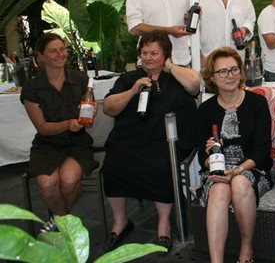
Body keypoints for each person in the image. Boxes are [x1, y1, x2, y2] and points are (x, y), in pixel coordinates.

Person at [101, 31, 200, 252]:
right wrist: (133, 90)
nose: (148, 57)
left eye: (154, 53)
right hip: (129, 138)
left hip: (167, 140)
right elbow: (108, 108)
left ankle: (163, 223)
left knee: (160, 164)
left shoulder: (177, 77)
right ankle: (120, 222)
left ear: (165, 54)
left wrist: (170, 67)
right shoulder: (128, 79)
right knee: (113, 163)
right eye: (144, 52)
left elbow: (195, 85)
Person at [195, 47, 275, 263]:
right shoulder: (205, 110)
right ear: (212, 77)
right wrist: (210, 157)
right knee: (220, 190)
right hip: (218, 171)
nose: (229, 76)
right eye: (222, 72)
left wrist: (238, 170)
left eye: (233, 69)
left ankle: (246, 249)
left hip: (252, 167)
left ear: (240, 72)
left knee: (239, 183)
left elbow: (262, 150)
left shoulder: (257, 104)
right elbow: (200, 155)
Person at [20, 33, 98, 233]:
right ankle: (64, 221)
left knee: (69, 181)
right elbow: (42, 127)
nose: (60, 54)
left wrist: (89, 113)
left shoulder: (80, 80)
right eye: (53, 51)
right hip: (47, 144)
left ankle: (57, 221)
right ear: (41, 56)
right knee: (47, 185)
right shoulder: (31, 89)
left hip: (77, 142)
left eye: (62, 49)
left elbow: (86, 119)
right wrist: (67, 124)